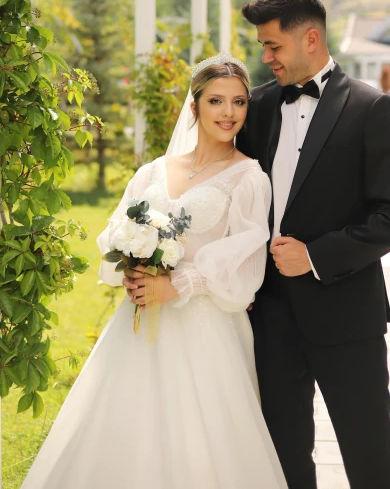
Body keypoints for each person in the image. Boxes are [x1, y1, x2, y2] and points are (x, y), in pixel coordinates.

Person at [20, 55, 287, 489]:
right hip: (139, 325)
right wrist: (131, 268)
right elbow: (116, 229)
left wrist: (178, 284)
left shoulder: (248, 177)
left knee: (201, 443)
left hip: (206, 330)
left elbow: (247, 260)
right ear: (194, 104)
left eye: (239, 102)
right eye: (216, 100)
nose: (229, 113)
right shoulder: (154, 172)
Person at [236, 0, 390, 489]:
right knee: (285, 460)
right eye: (263, 47)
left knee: (370, 460)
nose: (266, 56)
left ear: (310, 39)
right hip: (271, 318)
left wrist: (316, 255)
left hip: (347, 318)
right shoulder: (259, 107)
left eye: (274, 45)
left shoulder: (371, 109)